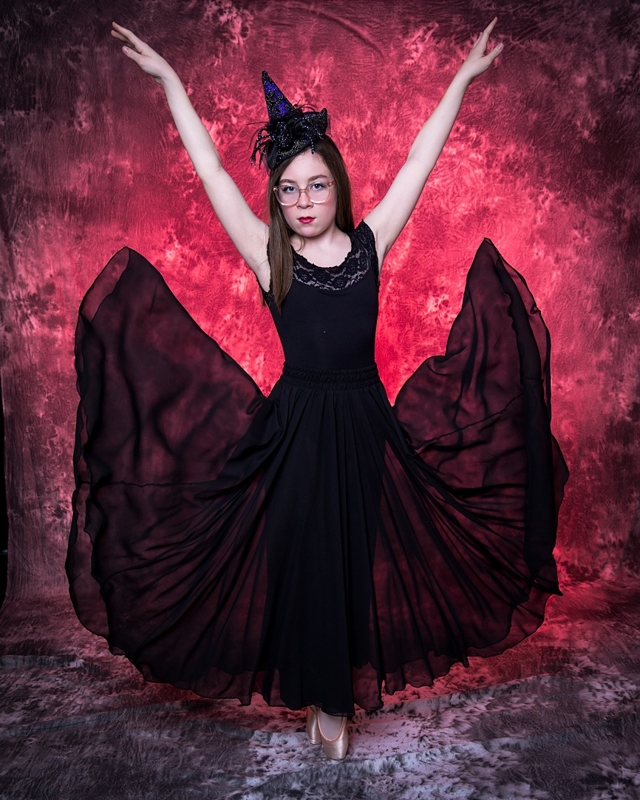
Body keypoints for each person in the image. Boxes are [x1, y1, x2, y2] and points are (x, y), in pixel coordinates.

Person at [66, 19, 568, 761]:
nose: (303, 200)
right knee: (304, 559)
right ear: (276, 198)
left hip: (364, 428)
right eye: (289, 189)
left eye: (317, 185)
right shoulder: (271, 258)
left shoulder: (370, 245)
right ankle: (324, 698)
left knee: (351, 559)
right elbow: (208, 171)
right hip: (294, 432)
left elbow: (419, 164)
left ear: (338, 186)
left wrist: (460, 81)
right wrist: (172, 84)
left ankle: (338, 697)